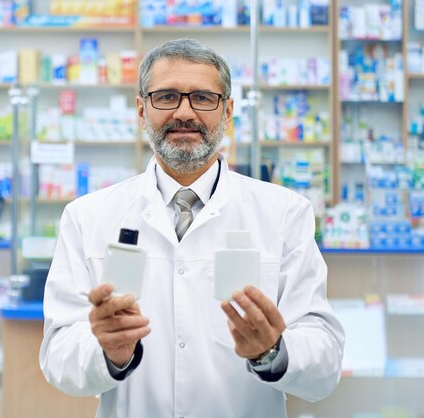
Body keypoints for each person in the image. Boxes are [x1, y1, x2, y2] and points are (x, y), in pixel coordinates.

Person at [40, 38, 345, 418]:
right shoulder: (87, 217)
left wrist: (273, 353)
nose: (184, 112)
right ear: (141, 109)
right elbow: (57, 355)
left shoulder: (285, 213)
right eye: (166, 97)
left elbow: (325, 362)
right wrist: (107, 353)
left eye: (203, 98)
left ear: (228, 111)